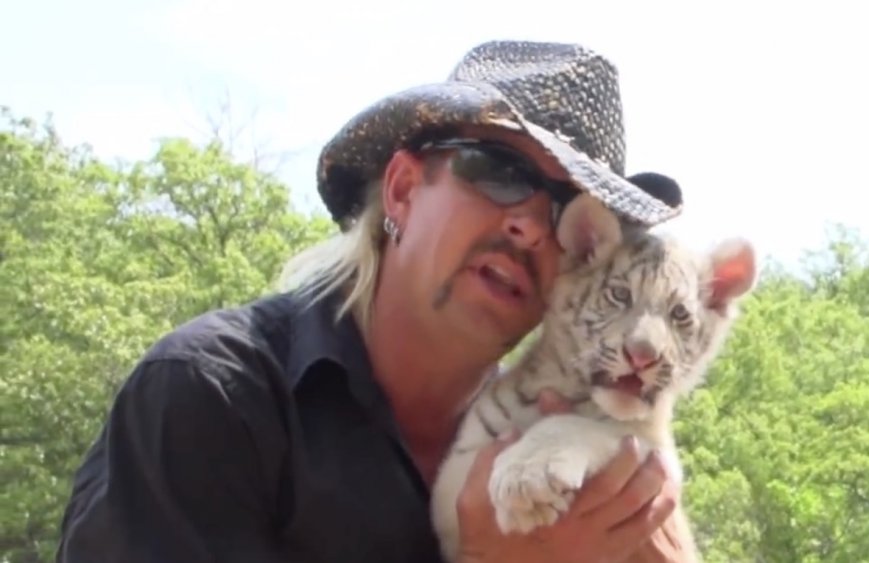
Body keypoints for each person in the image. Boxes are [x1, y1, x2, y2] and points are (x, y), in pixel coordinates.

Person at [55, 39, 690, 562]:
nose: (529, 225)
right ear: (404, 190)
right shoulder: (212, 396)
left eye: (566, 211)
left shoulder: (573, 455)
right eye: (497, 170)